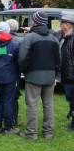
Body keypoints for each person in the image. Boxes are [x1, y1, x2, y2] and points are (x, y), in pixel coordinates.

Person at [18, 11, 61, 140]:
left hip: (33, 76)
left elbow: (22, 58)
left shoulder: (30, 38)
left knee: (32, 104)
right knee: (49, 104)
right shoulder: (54, 39)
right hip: (49, 76)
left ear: (34, 22)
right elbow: (58, 59)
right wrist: (55, 75)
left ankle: (31, 133)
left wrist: (25, 71)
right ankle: (48, 132)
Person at [0, 22, 20, 135]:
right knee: (8, 101)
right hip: (10, 77)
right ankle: (8, 127)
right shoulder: (14, 45)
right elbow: (17, 61)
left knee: (0, 100)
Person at [52, 14, 74, 132]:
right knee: (70, 99)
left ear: (68, 25)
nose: (59, 25)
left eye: (62, 23)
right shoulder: (61, 35)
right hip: (65, 75)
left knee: (72, 100)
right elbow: (49, 32)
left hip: (71, 76)